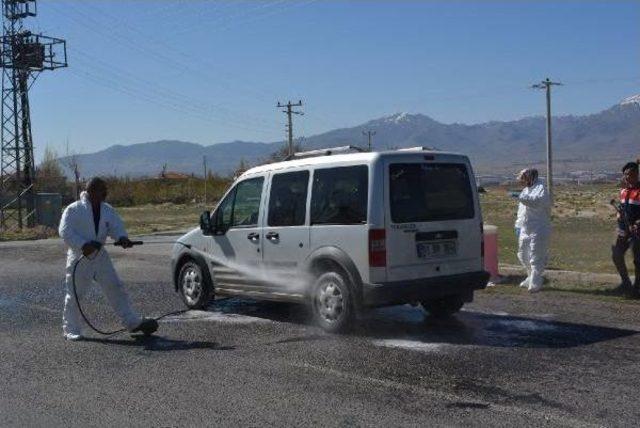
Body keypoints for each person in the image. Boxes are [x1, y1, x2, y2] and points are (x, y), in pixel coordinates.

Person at [58, 177, 158, 340]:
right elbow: (65, 231)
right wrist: (83, 244)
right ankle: (71, 329)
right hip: (80, 258)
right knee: (75, 294)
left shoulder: (107, 210)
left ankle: (132, 322)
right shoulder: (73, 209)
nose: (105, 193)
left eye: (105, 190)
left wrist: (122, 238)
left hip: (100, 256)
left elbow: (116, 227)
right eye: (101, 190)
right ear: (90, 191)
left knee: (115, 288)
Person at [514, 168, 551, 293]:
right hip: (525, 227)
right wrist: (518, 225)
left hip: (538, 227)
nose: (521, 180)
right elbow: (522, 212)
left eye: (523, 177)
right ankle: (530, 276)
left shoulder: (541, 189)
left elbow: (536, 202)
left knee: (536, 254)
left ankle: (536, 280)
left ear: (530, 177)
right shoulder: (525, 190)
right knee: (523, 254)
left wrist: (521, 198)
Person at [611, 162, 640, 299]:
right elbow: (623, 209)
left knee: (638, 259)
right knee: (616, 254)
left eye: (630, 174)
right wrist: (618, 215)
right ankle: (625, 283)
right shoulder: (623, 191)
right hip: (623, 230)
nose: (627, 177)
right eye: (625, 175)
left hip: (637, 232)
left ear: (637, 174)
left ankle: (637, 287)